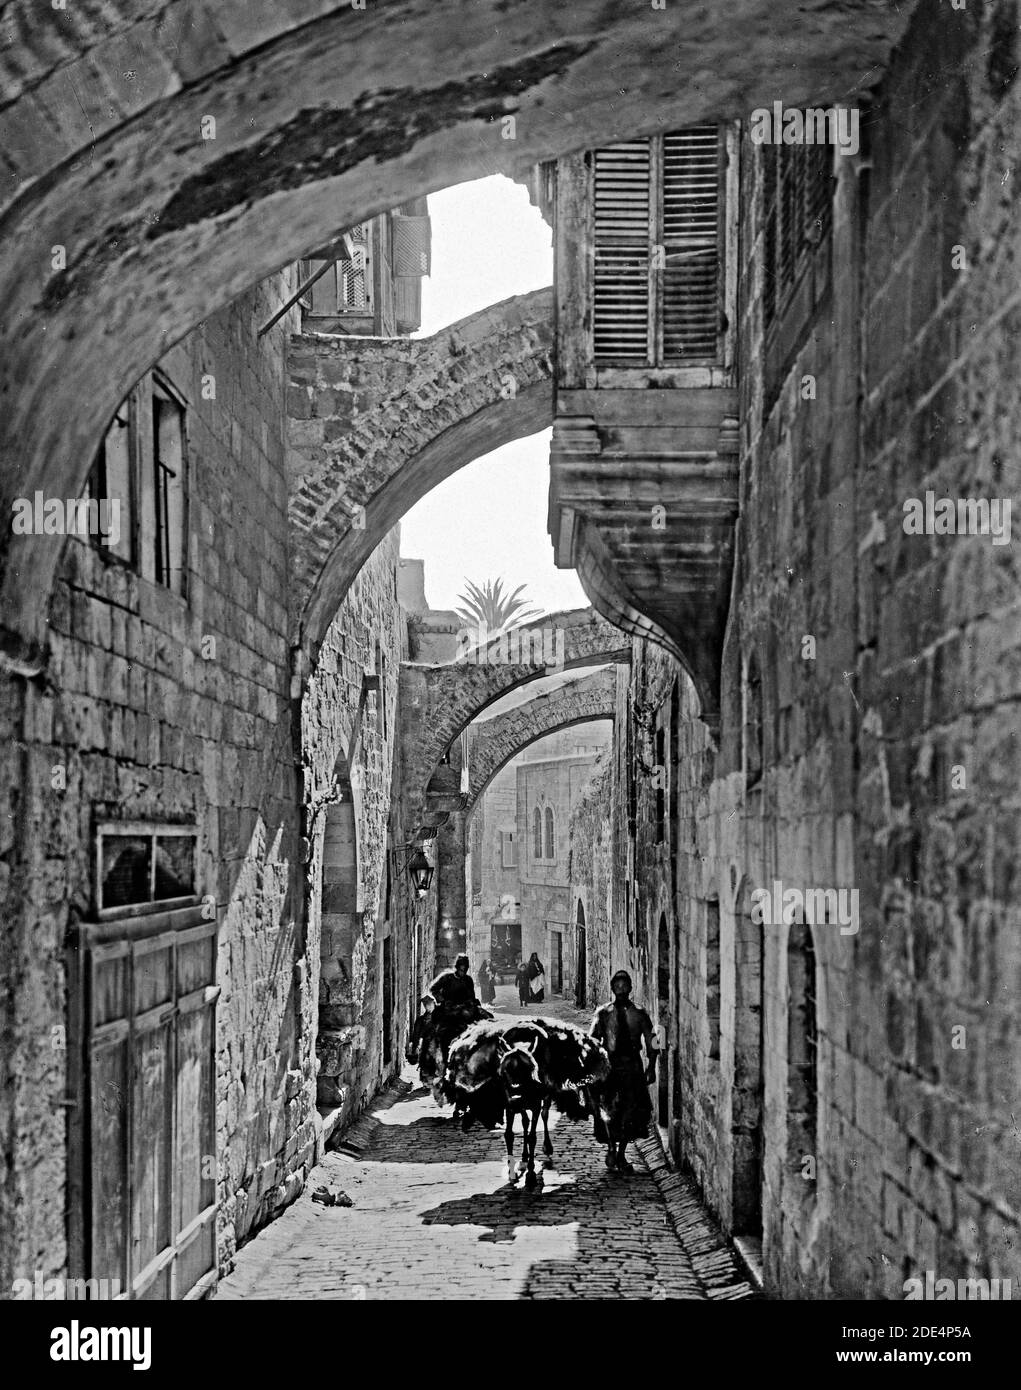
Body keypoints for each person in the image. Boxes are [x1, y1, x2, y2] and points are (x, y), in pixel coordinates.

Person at [589, 970, 658, 1174]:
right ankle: (611, 1146)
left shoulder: (639, 1013)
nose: (620, 989)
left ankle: (621, 1152)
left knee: (630, 1110)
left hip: (632, 1067)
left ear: (629, 988)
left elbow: (652, 1040)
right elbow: (592, 1040)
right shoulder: (602, 1013)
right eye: (617, 986)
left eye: (624, 985)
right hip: (610, 1067)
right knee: (609, 1109)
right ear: (612, 988)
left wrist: (652, 1066)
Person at [405, 995, 435, 1064]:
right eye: (425, 1005)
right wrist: (416, 1047)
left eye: (429, 1005)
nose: (427, 1007)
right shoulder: (420, 1020)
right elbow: (417, 1034)